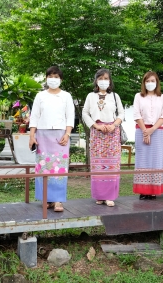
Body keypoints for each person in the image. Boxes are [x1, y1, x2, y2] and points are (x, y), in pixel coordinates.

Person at [29, 66, 75, 212]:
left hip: (61, 135)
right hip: (42, 135)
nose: (53, 79)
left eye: (56, 76)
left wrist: (67, 134)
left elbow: (70, 116)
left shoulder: (66, 96)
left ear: (61, 79)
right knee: (44, 167)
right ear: (46, 78)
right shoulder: (40, 96)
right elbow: (34, 116)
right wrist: (32, 136)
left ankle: (58, 200)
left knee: (59, 167)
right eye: (50, 76)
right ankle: (47, 199)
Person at [82, 69, 125, 207]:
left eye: (106, 78)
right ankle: (100, 196)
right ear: (96, 81)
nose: (103, 81)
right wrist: (95, 125)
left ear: (110, 81)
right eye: (100, 78)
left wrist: (114, 125)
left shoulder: (114, 96)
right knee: (98, 165)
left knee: (111, 164)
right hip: (97, 132)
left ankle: (109, 196)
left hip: (112, 133)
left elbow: (121, 113)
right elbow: (85, 113)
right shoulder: (90, 96)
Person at [132, 71, 163, 199]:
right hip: (141, 131)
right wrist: (145, 131)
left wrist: (151, 130)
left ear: (157, 82)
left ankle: (153, 190)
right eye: (147, 81)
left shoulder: (162, 97)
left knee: (156, 161)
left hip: (157, 131)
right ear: (144, 83)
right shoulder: (138, 96)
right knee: (143, 160)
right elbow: (136, 114)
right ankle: (143, 190)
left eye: (152, 81)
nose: (150, 83)